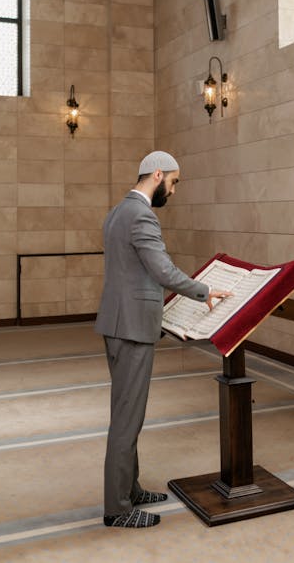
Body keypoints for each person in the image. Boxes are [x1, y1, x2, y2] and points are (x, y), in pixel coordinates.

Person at [95, 150, 231, 529]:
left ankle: (131, 490)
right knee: (127, 419)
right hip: (132, 328)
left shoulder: (118, 211)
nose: (172, 191)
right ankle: (118, 508)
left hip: (119, 324)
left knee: (128, 414)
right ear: (157, 175)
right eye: (173, 183)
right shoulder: (141, 214)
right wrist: (204, 291)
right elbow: (162, 269)